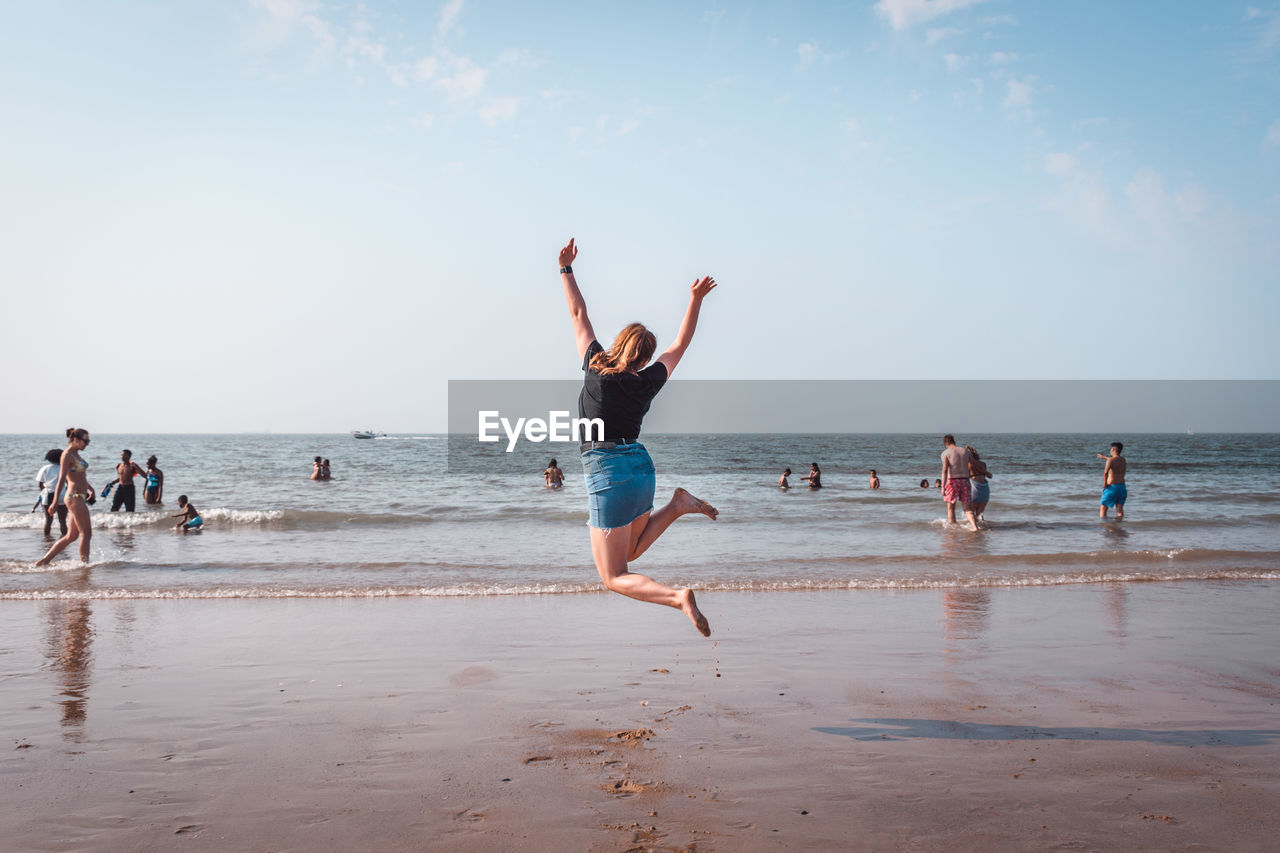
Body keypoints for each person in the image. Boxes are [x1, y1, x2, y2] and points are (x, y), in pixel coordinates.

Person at [559, 237, 718, 637]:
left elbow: (578, 312)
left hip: (607, 469)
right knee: (627, 551)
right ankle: (678, 504)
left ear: (618, 343)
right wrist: (695, 298)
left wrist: (565, 268)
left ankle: (678, 598)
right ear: (646, 358)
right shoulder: (648, 381)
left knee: (614, 576)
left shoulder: (595, 363)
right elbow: (680, 345)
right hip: (641, 468)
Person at [35, 429, 96, 566]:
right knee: (86, 533)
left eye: (88, 441)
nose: (87, 444)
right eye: (85, 441)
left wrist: (91, 490)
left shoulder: (76, 454)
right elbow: (62, 479)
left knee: (71, 536)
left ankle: (44, 561)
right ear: (76, 439)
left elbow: (80, 477)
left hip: (79, 496)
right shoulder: (67, 455)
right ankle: (84, 565)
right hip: (74, 497)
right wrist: (55, 501)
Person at [940, 434, 978, 531]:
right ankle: (974, 526)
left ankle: (953, 529)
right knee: (967, 508)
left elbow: (944, 471)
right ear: (954, 441)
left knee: (951, 507)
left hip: (953, 481)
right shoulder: (965, 451)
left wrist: (943, 487)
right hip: (965, 481)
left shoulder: (946, 453)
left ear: (946, 444)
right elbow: (974, 464)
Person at [36, 449, 69, 537]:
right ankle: (64, 539)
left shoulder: (44, 468)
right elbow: (69, 483)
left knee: (48, 521)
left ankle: (47, 539)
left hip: (47, 494)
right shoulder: (64, 468)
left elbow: (40, 484)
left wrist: (43, 492)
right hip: (62, 495)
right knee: (62, 521)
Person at [1097, 442, 1127, 519]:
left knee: (1103, 508)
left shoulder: (1111, 460)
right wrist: (1103, 457)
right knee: (1119, 509)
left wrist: (1104, 485)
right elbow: (1114, 459)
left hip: (1112, 487)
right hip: (1122, 487)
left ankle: (1103, 526)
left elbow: (1105, 473)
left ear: (1113, 449)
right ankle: (1120, 525)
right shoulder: (1123, 460)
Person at [966, 445, 992, 526]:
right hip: (985, 489)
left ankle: (975, 529)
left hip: (974, 488)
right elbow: (987, 475)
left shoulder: (968, 465)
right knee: (980, 515)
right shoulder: (983, 464)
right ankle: (983, 531)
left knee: (969, 512)